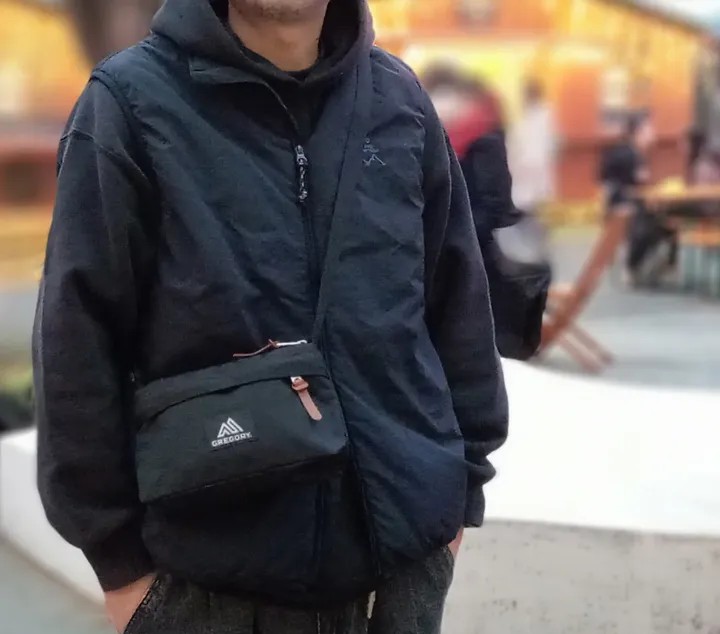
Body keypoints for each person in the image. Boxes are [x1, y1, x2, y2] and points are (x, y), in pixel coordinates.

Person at [33, 2, 509, 634]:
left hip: (403, 572)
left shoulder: (399, 101)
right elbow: (76, 338)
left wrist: (461, 492)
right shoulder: (129, 103)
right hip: (208, 591)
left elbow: (457, 301)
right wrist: (121, 568)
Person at [425, 69, 550, 360]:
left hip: (478, 248)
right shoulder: (470, 133)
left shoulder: (477, 136)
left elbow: (494, 203)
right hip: (469, 242)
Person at [600, 111, 675, 284]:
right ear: (638, 132)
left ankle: (644, 266)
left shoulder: (624, 151)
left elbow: (605, 180)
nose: (653, 134)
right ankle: (633, 265)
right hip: (625, 207)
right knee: (655, 225)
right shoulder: (629, 154)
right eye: (649, 129)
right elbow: (638, 184)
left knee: (664, 223)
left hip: (620, 204)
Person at [506, 79, 557, 218]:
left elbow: (515, 142)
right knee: (536, 199)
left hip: (527, 163)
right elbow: (554, 142)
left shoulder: (527, 117)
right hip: (538, 163)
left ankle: (532, 221)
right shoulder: (547, 114)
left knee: (528, 200)